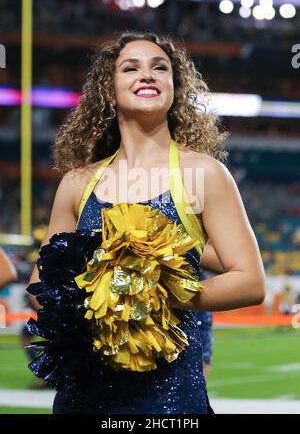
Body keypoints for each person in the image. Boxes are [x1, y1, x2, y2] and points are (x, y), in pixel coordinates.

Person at [28, 32, 265, 414]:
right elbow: (41, 284)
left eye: (160, 68)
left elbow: (250, 280)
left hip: (170, 395)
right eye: (131, 67)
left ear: (175, 86)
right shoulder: (77, 182)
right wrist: (96, 298)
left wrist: (151, 296)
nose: (147, 75)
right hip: (85, 393)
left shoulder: (205, 173)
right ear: (109, 87)